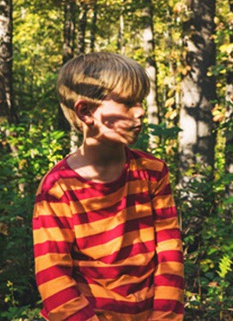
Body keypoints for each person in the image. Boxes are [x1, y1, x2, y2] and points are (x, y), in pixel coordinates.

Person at [33, 52, 184, 320]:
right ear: (86, 112)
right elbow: (53, 278)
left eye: (139, 102)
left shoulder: (153, 172)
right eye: (127, 102)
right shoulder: (57, 189)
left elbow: (169, 256)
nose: (140, 111)